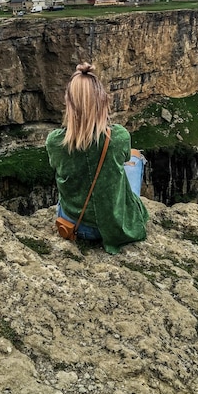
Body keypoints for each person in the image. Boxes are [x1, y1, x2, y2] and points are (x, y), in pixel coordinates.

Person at [46, 62, 149, 254]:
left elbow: (55, 165)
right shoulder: (118, 137)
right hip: (113, 225)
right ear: (102, 101)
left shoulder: (54, 141)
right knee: (134, 159)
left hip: (73, 224)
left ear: (68, 103)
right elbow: (124, 158)